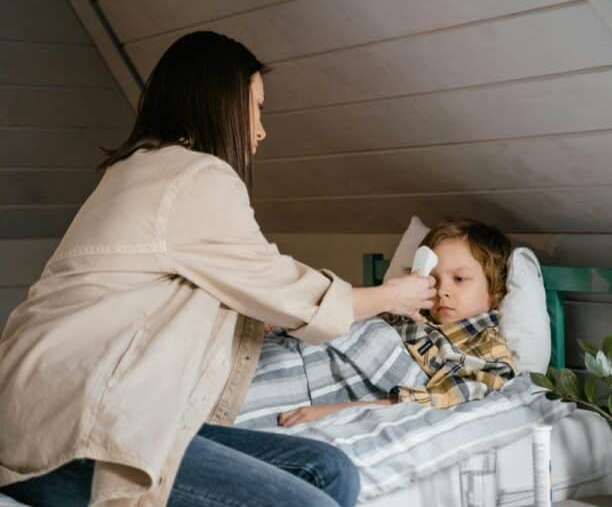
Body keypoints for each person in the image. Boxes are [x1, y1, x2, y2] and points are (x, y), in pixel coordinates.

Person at [0, 31, 435, 507]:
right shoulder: (195, 177)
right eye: (258, 107)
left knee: (329, 470)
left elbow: (181, 291)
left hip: (40, 409)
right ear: (220, 102)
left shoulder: (138, 169)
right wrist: (394, 295)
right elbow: (289, 290)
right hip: (75, 431)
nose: (261, 129)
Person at [278, 218, 519, 428]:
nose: (442, 290)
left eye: (459, 279)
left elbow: (444, 396)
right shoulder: (403, 314)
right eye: (433, 279)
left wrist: (340, 411)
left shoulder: (487, 349)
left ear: (495, 290)